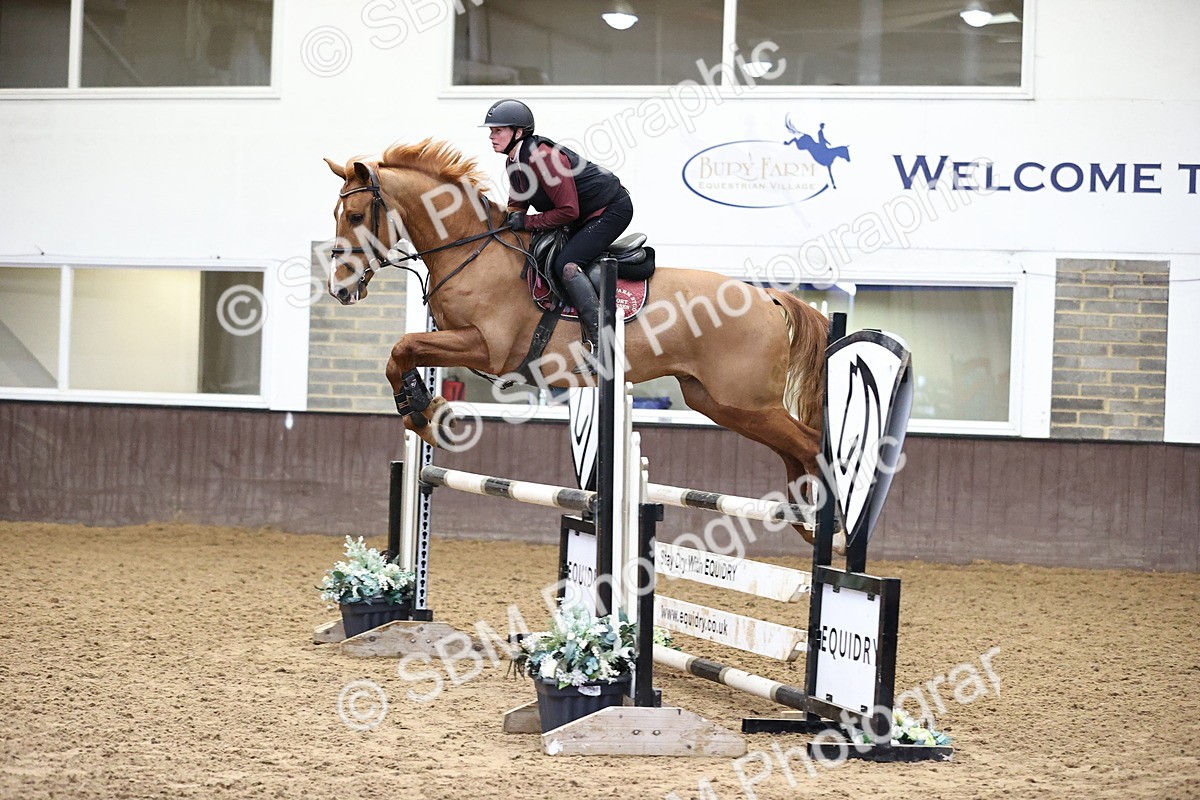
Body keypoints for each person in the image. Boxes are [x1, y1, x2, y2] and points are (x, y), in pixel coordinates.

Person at [482, 99, 633, 351]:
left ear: (519, 133)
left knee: (566, 264)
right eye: (491, 131)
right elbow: (517, 206)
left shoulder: (545, 158)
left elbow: (568, 211)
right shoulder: (513, 161)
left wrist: (528, 222)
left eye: (498, 130)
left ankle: (602, 342)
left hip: (610, 209)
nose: (491, 136)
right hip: (582, 214)